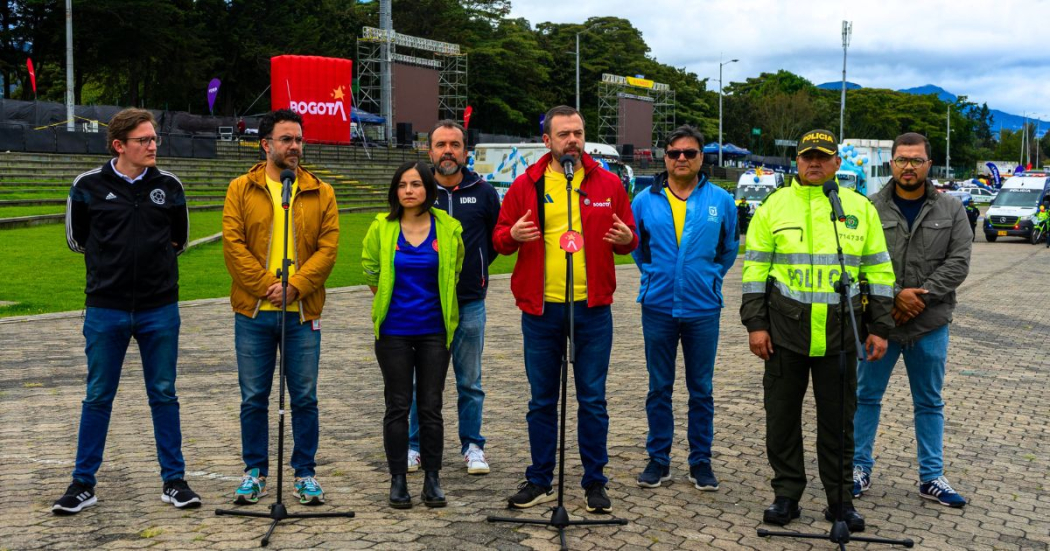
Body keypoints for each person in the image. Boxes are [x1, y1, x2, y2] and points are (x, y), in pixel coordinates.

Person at [741, 129, 895, 532]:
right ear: (797, 161)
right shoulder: (774, 206)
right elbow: (755, 271)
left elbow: (878, 271)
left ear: (836, 164)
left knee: (838, 423)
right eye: (807, 156)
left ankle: (840, 502)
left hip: (841, 335)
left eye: (822, 157)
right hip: (783, 335)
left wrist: (879, 327)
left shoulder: (859, 208)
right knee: (781, 419)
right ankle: (786, 496)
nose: (814, 163)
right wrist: (756, 325)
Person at [493, 105, 637, 514]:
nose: (572, 141)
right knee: (542, 400)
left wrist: (628, 238)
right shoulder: (527, 184)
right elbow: (501, 238)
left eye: (577, 133)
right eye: (563, 134)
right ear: (547, 141)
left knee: (592, 399)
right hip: (541, 312)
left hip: (591, 310)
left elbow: (629, 238)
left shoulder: (608, 183)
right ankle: (540, 478)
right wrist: (513, 234)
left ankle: (595, 481)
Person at [55, 108, 200, 514]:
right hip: (105, 309)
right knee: (98, 396)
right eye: (144, 140)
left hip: (160, 309)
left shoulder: (169, 186)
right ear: (120, 145)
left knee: (164, 394)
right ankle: (83, 484)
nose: (154, 146)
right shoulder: (87, 185)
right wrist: (114, 264)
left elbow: (180, 239)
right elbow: (76, 239)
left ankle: (175, 482)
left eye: (154, 139)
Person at [222, 109, 340, 506]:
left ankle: (305, 473)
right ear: (266, 144)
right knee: (254, 397)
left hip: (302, 313)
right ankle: (254, 472)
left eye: (299, 140)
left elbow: (328, 250)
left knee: (304, 397)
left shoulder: (321, 190)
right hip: (254, 313)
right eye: (287, 139)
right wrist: (267, 287)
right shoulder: (240, 187)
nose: (295, 147)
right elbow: (233, 246)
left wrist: (296, 287)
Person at [853, 132, 972, 508]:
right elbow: (859, 263)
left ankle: (931, 477)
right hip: (880, 326)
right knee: (866, 397)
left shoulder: (951, 208)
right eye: (902, 159)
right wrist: (894, 298)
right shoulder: (870, 207)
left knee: (930, 402)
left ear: (928, 165)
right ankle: (858, 468)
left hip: (929, 324)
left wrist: (918, 297)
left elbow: (959, 262)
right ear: (891, 163)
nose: (909, 166)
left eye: (916, 160)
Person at [631, 125, 739, 491]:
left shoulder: (720, 201)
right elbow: (638, 249)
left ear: (701, 158)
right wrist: (655, 276)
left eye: (689, 153)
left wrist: (706, 278)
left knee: (701, 389)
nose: (681, 159)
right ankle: (658, 459)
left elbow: (727, 250)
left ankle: (700, 461)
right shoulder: (645, 200)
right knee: (659, 387)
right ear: (665, 157)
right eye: (674, 152)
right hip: (658, 306)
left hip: (703, 308)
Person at [362, 161, 465, 509]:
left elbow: (456, 268)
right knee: (397, 405)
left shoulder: (448, 228)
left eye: (416, 184)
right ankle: (398, 480)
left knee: (431, 406)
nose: (409, 190)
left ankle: (433, 479)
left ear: (428, 189)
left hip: (435, 331)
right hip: (393, 332)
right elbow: (370, 266)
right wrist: (388, 299)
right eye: (403, 184)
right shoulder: (382, 227)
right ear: (395, 190)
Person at [404, 120, 500, 475]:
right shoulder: (417, 190)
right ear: (429, 151)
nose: (448, 151)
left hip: (469, 302)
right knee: (420, 380)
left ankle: (473, 445)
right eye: (441, 144)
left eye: (455, 145)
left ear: (465, 151)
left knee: (470, 382)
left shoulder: (484, 191)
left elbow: (492, 242)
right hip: (425, 303)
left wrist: (473, 270)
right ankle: (414, 446)